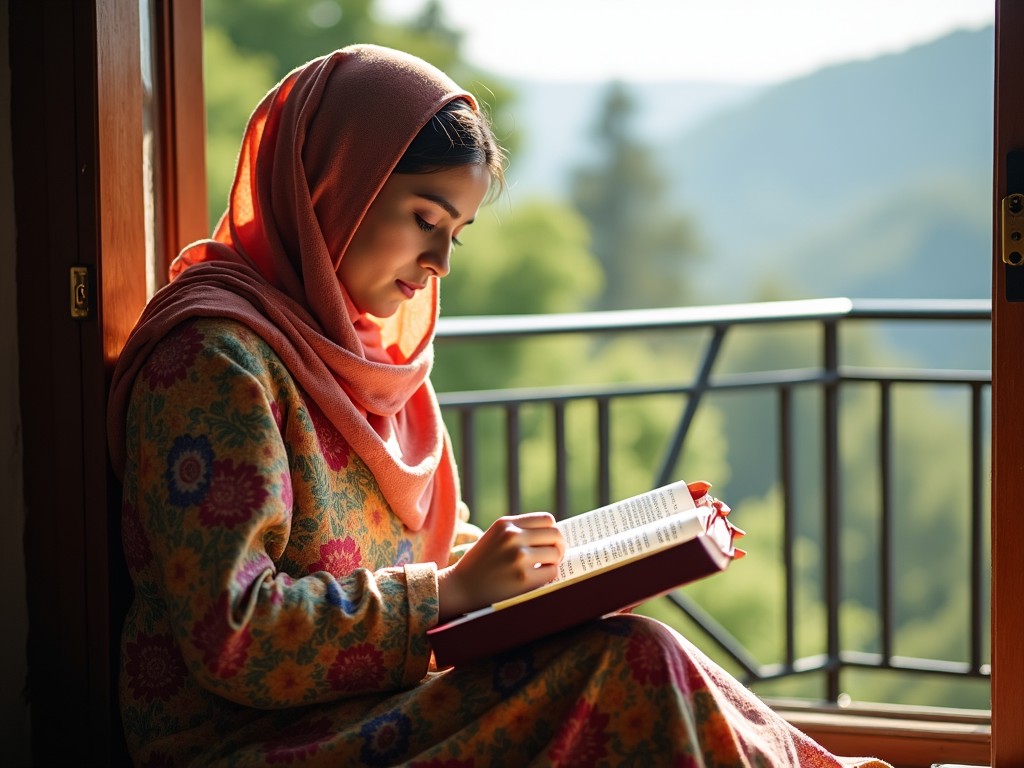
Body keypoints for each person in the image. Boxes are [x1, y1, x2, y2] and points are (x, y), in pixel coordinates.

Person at [106, 44, 892, 767]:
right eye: (425, 219)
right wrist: (449, 593)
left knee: (625, 644)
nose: (439, 263)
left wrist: (548, 575)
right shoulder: (213, 360)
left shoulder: (359, 352)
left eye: (459, 233)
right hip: (248, 740)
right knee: (627, 670)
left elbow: (418, 548)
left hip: (363, 700)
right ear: (332, 183)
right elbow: (232, 634)